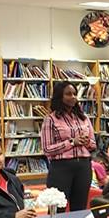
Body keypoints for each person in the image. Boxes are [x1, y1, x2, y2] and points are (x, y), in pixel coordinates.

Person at [41, 81, 96, 211]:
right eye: (68, 94)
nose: (73, 97)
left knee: (80, 208)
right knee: (57, 208)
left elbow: (93, 145)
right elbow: (47, 149)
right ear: (60, 96)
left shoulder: (84, 118)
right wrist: (71, 142)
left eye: (75, 94)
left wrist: (86, 142)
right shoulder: (50, 119)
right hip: (61, 168)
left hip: (83, 167)